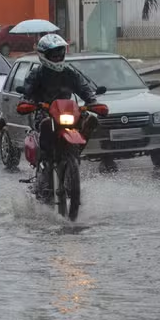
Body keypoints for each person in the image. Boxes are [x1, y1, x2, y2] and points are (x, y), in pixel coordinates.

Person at [22, 34, 100, 201]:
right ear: (44, 55)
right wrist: (27, 102)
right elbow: (27, 93)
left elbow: (84, 88)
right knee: (44, 124)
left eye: (60, 53)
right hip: (45, 112)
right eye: (54, 55)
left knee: (88, 119)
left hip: (67, 111)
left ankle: (75, 152)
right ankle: (44, 165)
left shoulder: (70, 73)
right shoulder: (37, 74)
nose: (58, 57)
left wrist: (92, 102)